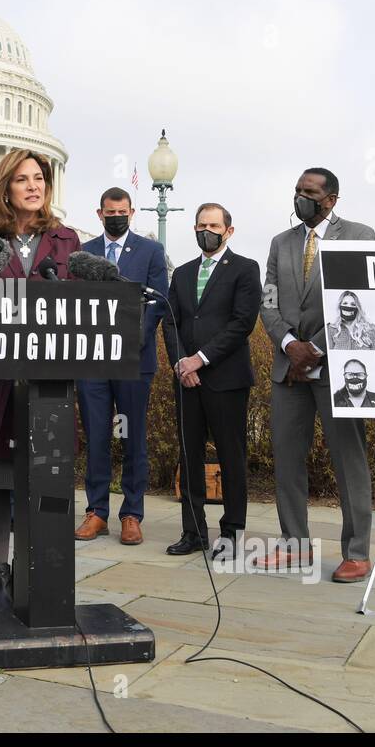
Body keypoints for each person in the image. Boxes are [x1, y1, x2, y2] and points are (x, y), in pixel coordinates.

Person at [0, 149, 80, 610]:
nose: (34, 186)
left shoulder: (66, 239)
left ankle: (42, 578)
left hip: (48, 382)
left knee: (44, 482)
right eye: (22, 179)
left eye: (40, 178)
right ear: (5, 188)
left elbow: (76, 306)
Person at [259, 167, 375, 583]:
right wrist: (290, 345)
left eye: (308, 192)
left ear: (331, 200)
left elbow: (360, 302)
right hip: (288, 369)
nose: (300, 198)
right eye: (296, 191)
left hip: (339, 370)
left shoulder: (360, 237)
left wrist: (318, 349)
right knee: (288, 460)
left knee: (349, 461)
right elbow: (268, 302)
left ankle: (357, 553)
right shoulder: (280, 243)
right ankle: (294, 546)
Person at [162, 201, 261, 559]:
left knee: (231, 457)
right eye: (201, 225)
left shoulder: (245, 269)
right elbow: (170, 320)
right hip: (186, 380)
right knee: (189, 456)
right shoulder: (183, 273)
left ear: (228, 231)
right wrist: (180, 364)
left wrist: (199, 360)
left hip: (226, 379)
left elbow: (242, 323)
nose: (207, 231)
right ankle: (193, 531)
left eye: (214, 226)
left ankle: (231, 532)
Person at [74, 186, 168, 546]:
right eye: (110, 212)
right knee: (97, 436)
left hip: (134, 361)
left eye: (123, 211)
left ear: (132, 213)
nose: (117, 217)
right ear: (100, 214)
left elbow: (158, 302)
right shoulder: (85, 254)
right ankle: (96, 512)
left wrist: (136, 337)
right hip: (93, 362)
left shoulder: (150, 252)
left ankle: (132, 513)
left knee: (130, 437)